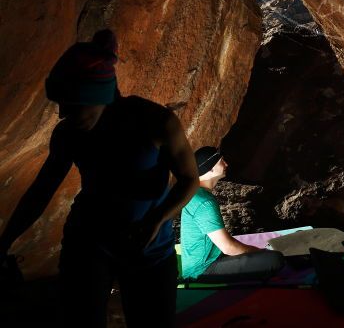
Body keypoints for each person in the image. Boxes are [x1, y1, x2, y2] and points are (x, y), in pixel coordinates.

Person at [0, 29, 198, 328]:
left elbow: (189, 179)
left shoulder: (156, 122)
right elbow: (41, 191)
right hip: (89, 243)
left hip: (149, 250)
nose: (63, 113)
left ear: (100, 97)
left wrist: (156, 220)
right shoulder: (69, 134)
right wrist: (4, 241)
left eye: (72, 104)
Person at [180, 146, 284, 282]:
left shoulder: (196, 194)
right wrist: (258, 252)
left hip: (207, 260)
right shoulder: (204, 202)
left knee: (258, 255)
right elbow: (227, 247)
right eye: (221, 161)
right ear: (210, 169)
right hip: (200, 271)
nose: (226, 164)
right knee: (275, 259)